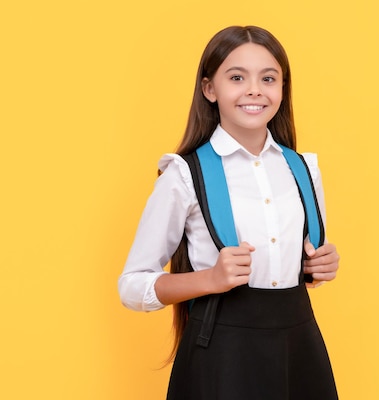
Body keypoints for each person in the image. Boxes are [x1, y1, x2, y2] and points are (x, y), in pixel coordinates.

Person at [118, 25, 340, 400]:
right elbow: (131, 285)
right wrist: (210, 279)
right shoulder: (185, 174)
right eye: (237, 77)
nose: (254, 89)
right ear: (209, 89)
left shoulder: (303, 169)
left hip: (298, 346)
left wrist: (320, 266)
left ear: (282, 89)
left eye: (268, 78)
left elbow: (298, 262)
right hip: (222, 354)